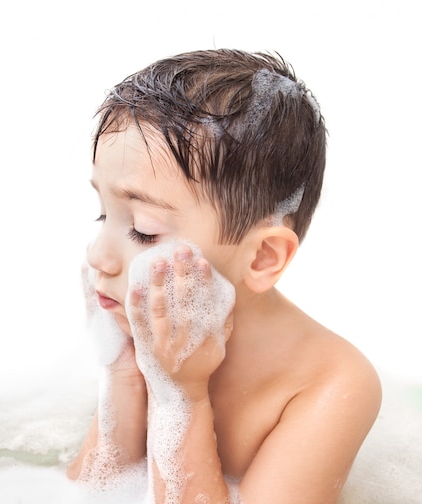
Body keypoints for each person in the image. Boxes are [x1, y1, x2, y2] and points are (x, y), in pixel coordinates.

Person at [66, 48, 382, 504]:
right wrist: (123, 371)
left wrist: (181, 395)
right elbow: (91, 489)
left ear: (262, 257)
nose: (98, 256)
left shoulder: (331, 384)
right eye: (102, 215)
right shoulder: (154, 325)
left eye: (142, 229)